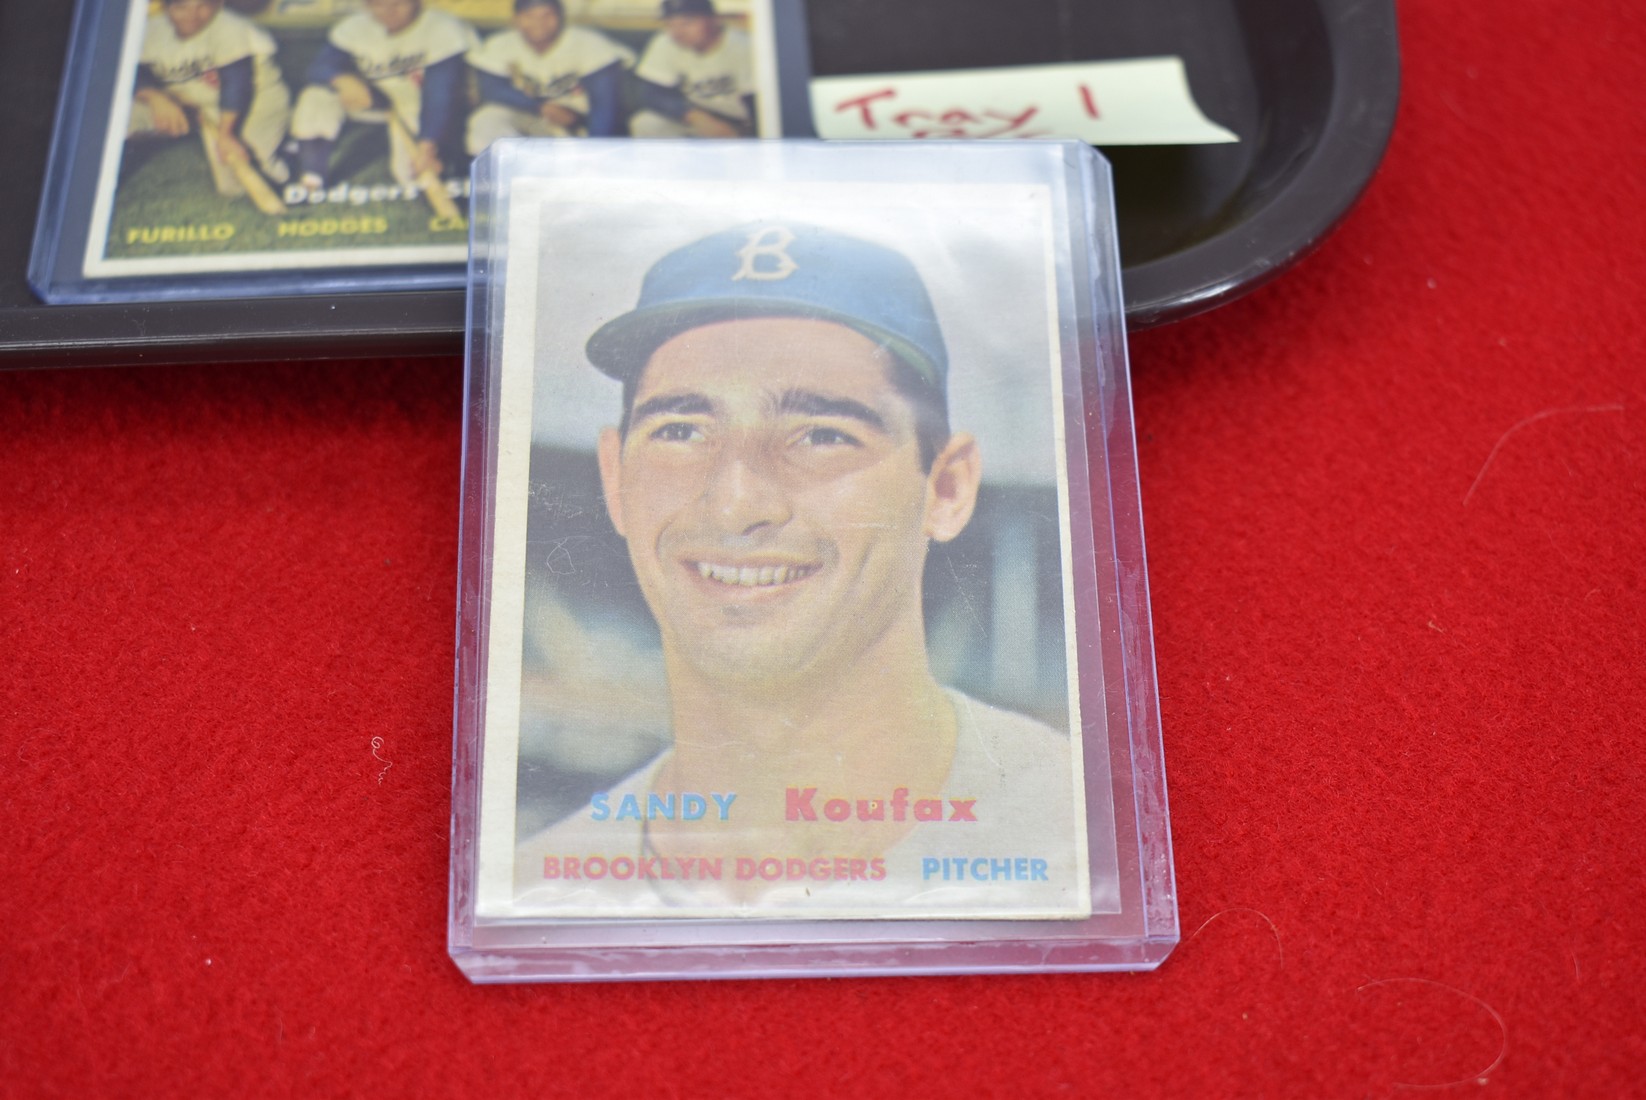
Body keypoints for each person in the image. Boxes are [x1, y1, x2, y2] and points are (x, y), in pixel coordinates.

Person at [513, 223, 1086, 917]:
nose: (736, 503)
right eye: (681, 431)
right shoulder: (535, 895)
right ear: (615, 478)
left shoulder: (1081, 840)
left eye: (821, 435)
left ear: (946, 488)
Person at [289, 0, 478, 190]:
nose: (389, 11)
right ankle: (312, 176)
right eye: (379, 4)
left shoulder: (442, 27)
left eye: (398, 4)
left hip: (428, 106)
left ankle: (451, 161)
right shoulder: (355, 26)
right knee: (317, 97)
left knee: (410, 177)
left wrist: (428, 144)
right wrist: (340, 79)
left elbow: (440, 94)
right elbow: (319, 67)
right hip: (377, 100)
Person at [127, 0, 292, 198]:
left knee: (234, 186)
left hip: (256, 101)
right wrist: (155, 98)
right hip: (186, 102)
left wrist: (226, 134)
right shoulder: (150, 30)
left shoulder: (230, 27)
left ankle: (291, 154)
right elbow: (130, 73)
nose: (192, 15)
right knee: (119, 118)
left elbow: (236, 87)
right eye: (181, 7)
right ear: (166, 7)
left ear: (217, 5)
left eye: (203, 6)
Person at [465, 0, 634, 151]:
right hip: (530, 119)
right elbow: (491, 90)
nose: (539, 22)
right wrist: (540, 107)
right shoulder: (501, 44)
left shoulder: (590, 43)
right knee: (487, 118)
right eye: (529, 16)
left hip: (580, 124)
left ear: (561, 17)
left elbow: (605, 105)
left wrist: (593, 151)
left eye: (547, 15)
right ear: (516, 19)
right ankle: (502, 172)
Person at [629, 0, 757, 138]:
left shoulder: (743, 46)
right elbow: (650, 94)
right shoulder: (666, 41)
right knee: (646, 123)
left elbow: (757, 104)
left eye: (687, 23)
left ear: (713, 19)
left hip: (742, 124)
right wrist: (693, 116)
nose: (678, 32)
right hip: (699, 117)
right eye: (670, 24)